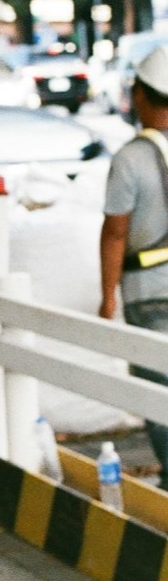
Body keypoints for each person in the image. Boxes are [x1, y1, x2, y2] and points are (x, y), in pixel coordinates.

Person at [100, 43, 168, 488]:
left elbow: (116, 233)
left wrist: (108, 295)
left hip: (148, 292)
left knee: (157, 389)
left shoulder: (129, 159)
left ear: (141, 96)